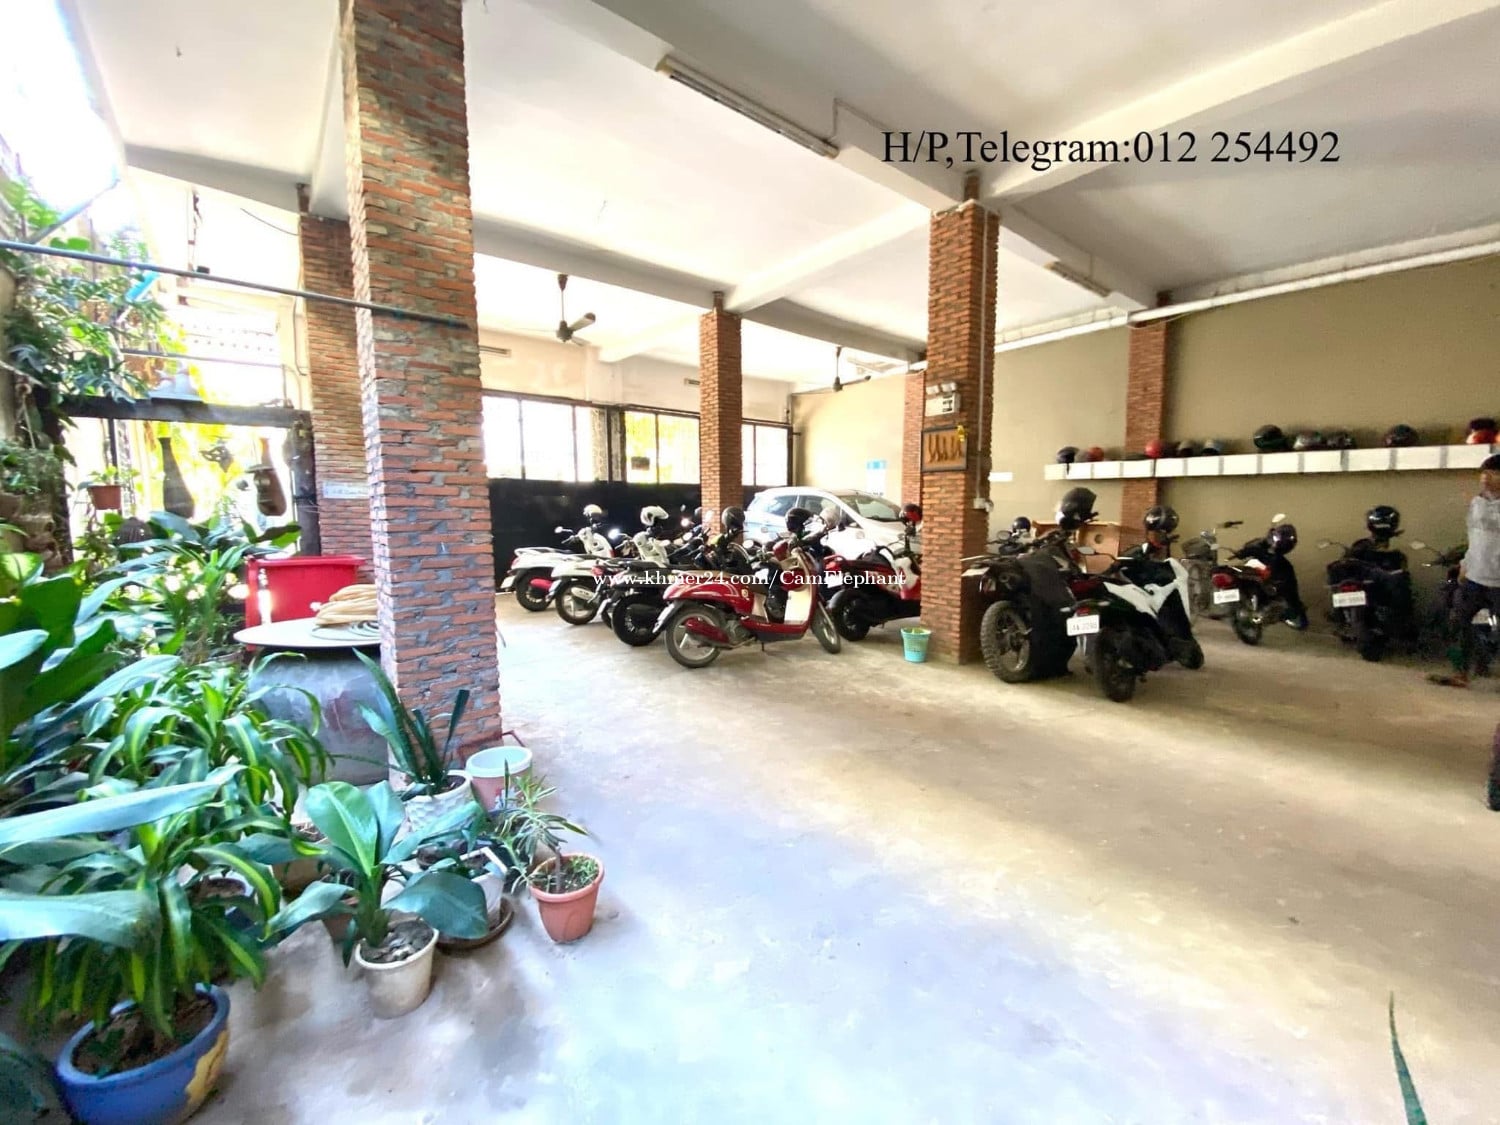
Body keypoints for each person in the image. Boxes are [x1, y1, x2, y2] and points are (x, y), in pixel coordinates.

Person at [1430, 454, 1500, 687]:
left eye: (1493, 474)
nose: (1485, 478)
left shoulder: (1486, 505)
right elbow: (1474, 537)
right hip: (1475, 577)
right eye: (1483, 473)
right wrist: (1465, 564)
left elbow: (1492, 525)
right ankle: (1460, 672)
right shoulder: (1477, 503)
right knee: (1458, 622)